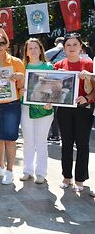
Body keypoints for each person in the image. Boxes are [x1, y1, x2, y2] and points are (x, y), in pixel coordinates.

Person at [54, 33, 95, 192]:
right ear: (64, 48)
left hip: (83, 110)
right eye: (68, 45)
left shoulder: (89, 64)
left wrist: (87, 98)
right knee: (66, 144)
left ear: (80, 46)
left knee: (83, 145)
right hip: (64, 110)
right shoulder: (58, 66)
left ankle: (80, 179)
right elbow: (53, 88)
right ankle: (66, 177)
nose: (71, 48)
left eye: (75, 44)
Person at [0, 33, 25, 185]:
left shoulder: (16, 62)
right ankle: (0, 167)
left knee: (10, 139)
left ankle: (10, 170)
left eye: (1, 43)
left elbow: (22, 89)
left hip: (11, 105)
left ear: (6, 44)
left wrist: (20, 78)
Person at [19, 38, 54, 184]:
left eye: (35, 48)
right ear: (26, 52)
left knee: (41, 141)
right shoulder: (22, 68)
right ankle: (27, 170)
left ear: (40, 50)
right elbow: (18, 88)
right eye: (30, 48)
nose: (33, 50)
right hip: (26, 107)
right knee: (28, 140)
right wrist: (20, 91)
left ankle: (41, 172)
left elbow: (54, 90)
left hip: (44, 110)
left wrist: (51, 101)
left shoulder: (48, 67)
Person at [45, 37, 65, 143]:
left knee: (54, 110)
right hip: (67, 84)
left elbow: (43, 59)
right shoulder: (69, 51)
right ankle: (64, 134)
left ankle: (55, 134)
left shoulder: (51, 52)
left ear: (55, 43)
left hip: (53, 84)